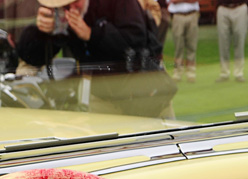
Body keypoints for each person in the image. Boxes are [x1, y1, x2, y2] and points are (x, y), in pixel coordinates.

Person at [17, 0, 173, 116]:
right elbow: (33, 57)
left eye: (74, 2)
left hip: (145, 89)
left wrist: (92, 34)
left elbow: (136, 43)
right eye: (64, 6)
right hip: (103, 93)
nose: (70, 8)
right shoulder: (63, 15)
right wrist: (41, 32)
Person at [169, 0, 200, 82]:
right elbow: (172, 1)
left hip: (192, 14)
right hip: (178, 15)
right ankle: (177, 72)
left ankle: (191, 73)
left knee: (191, 45)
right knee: (178, 46)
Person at [216, 1, 248, 82]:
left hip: (239, 7)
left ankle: (239, 73)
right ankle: (224, 73)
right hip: (223, 7)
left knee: (239, 40)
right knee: (223, 41)